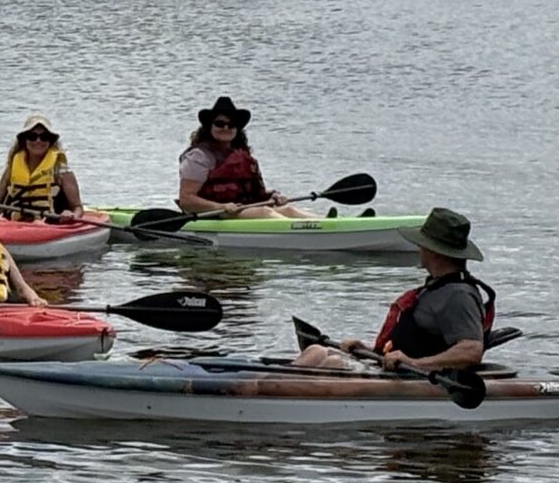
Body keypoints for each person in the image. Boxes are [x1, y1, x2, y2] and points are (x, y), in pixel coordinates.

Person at [296, 207, 492, 372]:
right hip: (397, 371)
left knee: (334, 363)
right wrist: (369, 351)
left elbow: (471, 350)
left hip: (417, 378)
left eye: (422, 245)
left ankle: (288, 392)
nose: (419, 249)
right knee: (316, 351)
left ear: (434, 251)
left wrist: (414, 363)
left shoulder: (459, 295)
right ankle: (280, 387)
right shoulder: (436, 287)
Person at [176, 95, 310, 219]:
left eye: (232, 124)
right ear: (209, 127)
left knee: (288, 210)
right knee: (264, 212)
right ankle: (298, 229)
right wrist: (220, 207)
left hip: (242, 210)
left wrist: (273, 197)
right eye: (220, 123)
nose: (226, 128)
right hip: (213, 215)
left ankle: (319, 224)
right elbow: (187, 200)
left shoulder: (242, 155)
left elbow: (255, 194)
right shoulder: (198, 156)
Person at [0, 115, 83, 219]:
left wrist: (71, 215)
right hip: (14, 224)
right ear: (24, 140)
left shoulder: (62, 171)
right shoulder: (11, 169)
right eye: (32, 136)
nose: (38, 141)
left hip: (49, 224)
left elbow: (77, 207)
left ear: (50, 141)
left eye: (44, 137)